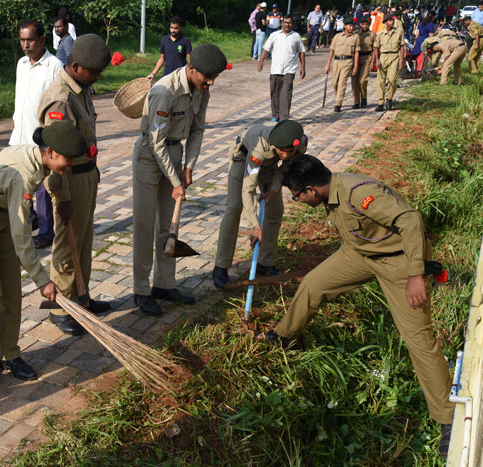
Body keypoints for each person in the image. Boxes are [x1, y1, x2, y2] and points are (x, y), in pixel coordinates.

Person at [265, 154, 455, 458]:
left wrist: (416, 274)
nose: (297, 201)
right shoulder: (331, 193)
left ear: (312, 189)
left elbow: (411, 220)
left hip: (399, 265)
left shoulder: (358, 193)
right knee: (313, 285)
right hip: (359, 255)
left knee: (419, 341)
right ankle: (284, 336)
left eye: (297, 195)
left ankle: (448, 419)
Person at [0, 121, 83, 385]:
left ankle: (9, 355)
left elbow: (57, 178)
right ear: (50, 153)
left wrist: (65, 200)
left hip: (2, 213)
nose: (68, 166)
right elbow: (22, 237)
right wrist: (43, 281)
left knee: (11, 291)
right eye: (67, 160)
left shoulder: (45, 161)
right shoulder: (22, 175)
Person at [132, 44, 228, 316]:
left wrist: (189, 166)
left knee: (168, 226)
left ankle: (164, 285)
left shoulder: (203, 88)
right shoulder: (164, 91)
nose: (210, 83)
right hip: (150, 157)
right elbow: (157, 142)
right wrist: (176, 181)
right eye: (206, 77)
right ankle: (141, 291)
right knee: (144, 225)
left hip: (175, 154)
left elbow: (198, 129)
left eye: (214, 78)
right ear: (191, 69)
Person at [38, 34, 112, 335]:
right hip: (69, 178)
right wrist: (62, 195)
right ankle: (61, 306)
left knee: (82, 240)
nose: (98, 77)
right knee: (66, 244)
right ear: (77, 65)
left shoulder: (80, 88)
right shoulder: (61, 98)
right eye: (94, 72)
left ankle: (81, 295)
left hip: (85, 174)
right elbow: (53, 154)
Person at [213, 120, 307, 288]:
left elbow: (284, 167)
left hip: (270, 167)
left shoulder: (300, 144)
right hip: (243, 159)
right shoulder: (259, 146)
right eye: (282, 151)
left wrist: (273, 189)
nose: (286, 155)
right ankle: (221, 266)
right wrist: (254, 226)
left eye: (290, 151)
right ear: (274, 145)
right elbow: (248, 188)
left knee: (276, 210)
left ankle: (266, 263)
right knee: (234, 207)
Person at [8, 20, 63, 250]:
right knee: (22, 185)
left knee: (42, 189)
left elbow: (58, 105)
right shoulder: (21, 63)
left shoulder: (54, 66)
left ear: (42, 39)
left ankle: (46, 230)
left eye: (30, 39)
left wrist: (50, 138)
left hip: (40, 138)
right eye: (22, 40)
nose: (26, 45)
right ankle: (29, 220)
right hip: (18, 135)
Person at [258, 15, 306, 121]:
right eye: (285, 22)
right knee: (275, 93)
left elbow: (301, 52)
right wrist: (261, 62)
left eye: (289, 23)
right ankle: (275, 115)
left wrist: (303, 67)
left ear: (292, 24)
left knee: (285, 94)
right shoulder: (274, 35)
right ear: (281, 23)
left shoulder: (296, 36)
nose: (287, 25)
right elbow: (266, 49)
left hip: (289, 70)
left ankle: (284, 118)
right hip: (275, 69)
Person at [324, 17, 359, 113]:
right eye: (349, 26)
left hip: (348, 61)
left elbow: (356, 53)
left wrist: (355, 66)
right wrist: (327, 65)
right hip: (336, 61)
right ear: (344, 26)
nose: (351, 28)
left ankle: (338, 103)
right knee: (334, 83)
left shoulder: (355, 37)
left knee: (342, 82)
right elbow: (332, 51)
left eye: (352, 26)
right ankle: (338, 97)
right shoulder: (337, 37)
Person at [373, 14, 405, 111]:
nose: (392, 22)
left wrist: (402, 60)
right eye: (390, 20)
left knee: (392, 80)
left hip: (395, 56)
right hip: (383, 56)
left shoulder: (399, 32)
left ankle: (389, 98)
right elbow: (375, 48)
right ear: (386, 22)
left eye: (392, 20)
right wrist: (376, 60)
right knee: (381, 81)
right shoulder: (380, 34)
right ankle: (380, 102)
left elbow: (402, 46)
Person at [352, 16, 376, 108]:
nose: (365, 26)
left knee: (362, 80)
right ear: (360, 25)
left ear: (369, 24)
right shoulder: (356, 34)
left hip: (367, 58)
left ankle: (364, 97)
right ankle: (356, 102)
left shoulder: (372, 34)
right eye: (363, 24)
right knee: (355, 81)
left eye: (366, 24)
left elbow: (374, 48)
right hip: (357, 58)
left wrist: (373, 60)